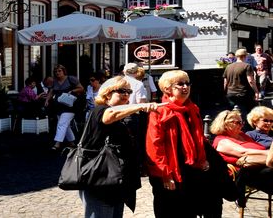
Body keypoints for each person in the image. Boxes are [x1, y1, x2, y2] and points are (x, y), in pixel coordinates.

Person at [77, 76, 159, 218]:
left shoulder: (118, 116)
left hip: (114, 181)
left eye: (129, 91)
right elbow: (109, 116)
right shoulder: (100, 110)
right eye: (122, 91)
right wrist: (139, 106)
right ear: (108, 94)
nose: (127, 95)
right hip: (99, 180)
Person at [145, 70, 215, 217]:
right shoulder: (160, 111)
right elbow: (154, 146)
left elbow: (198, 137)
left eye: (187, 83)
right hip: (169, 168)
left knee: (189, 210)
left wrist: (202, 159)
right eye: (180, 84)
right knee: (169, 210)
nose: (185, 87)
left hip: (190, 168)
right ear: (167, 89)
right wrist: (165, 174)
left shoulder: (192, 108)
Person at [210, 109, 273, 195]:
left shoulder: (242, 135)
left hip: (262, 166)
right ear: (224, 124)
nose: (241, 125)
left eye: (241, 122)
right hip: (248, 174)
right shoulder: (221, 141)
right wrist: (270, 153)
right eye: (237, 122)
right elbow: (243, 152)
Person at [48, 64, 84, 151]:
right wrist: (47, 100)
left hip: (70, 106)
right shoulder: (55, 81)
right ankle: (72, 142)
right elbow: (51, 91)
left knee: (61, 124)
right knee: (65, 125)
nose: (57, 73)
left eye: (59, 71)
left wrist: (72, 91)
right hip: (59, 106)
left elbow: (81, 88)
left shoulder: (71, 79)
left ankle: (57, 143)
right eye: (56, 71)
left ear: (64, 71)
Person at [225, 47, 262, 114]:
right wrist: (256, 92)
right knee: (250, 112)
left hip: (230, 93)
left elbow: (225, 82)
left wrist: (225, 92)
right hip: (244, 94)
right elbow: (250, 81)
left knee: (231, 114)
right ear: (245, 56)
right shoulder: (247, 66)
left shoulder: (228, 67)